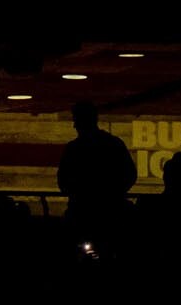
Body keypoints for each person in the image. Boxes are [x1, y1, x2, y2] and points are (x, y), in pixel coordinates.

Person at [56, 101, 135, 243]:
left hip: (80, 213)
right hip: (111, 213)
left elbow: (63, 181)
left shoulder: (73, 149)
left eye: (76, 120)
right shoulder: (114, 144)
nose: (74, 125)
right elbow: (129, 175)